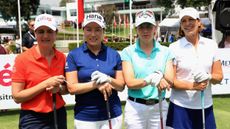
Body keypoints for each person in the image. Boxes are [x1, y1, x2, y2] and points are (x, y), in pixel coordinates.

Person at [65, 12, 125, 129]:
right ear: (83, 31)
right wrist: (96, 84)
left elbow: (121, 86)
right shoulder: (73, 55)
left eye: (97, 30)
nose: (93, 34)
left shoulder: (114, 55)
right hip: (85, 117)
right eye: (89, 29)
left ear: (103, 31)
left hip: (112, 114)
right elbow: (72, 88)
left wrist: (108, 79)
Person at [166, 7, 223, 129]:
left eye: (191, 19)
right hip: (180, 107)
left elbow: (219, 77)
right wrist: (193, 86)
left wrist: (209, 76)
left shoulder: (211, 45)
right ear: (181, 25)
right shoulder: (173, 47)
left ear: (198, 22)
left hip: (205, 106)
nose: (187, 24)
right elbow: (171, 81)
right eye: (183, 21)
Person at [11, 14, 68, 129]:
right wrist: (45, 84)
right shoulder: (22, 59)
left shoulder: (62, 57)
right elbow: (17, 96)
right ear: (35, 33)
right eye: (41, 31)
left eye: (49, 31)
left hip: (58, 114)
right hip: (32, 118)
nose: (45, 35)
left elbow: (67, 89)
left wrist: (59, 89)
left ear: (55, 33)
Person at [120, 10, 174, 129]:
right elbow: (130, 82)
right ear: (136, 29)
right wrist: (149, 80)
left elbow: (170, 80)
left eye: (149, 27)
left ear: (155, 28)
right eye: (141, 27)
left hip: (159, 105)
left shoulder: (166, 51)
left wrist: (159, 76)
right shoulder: (128, 52)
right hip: (135, 108)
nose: (145, 31)